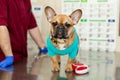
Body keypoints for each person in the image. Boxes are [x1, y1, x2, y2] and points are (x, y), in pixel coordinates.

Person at [0, 0, 48, 68]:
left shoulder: (26, 1)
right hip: (4, 58)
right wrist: (8, 56)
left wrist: (42, 46)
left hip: (21, 57)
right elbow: (1, 26)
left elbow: (32, 24)